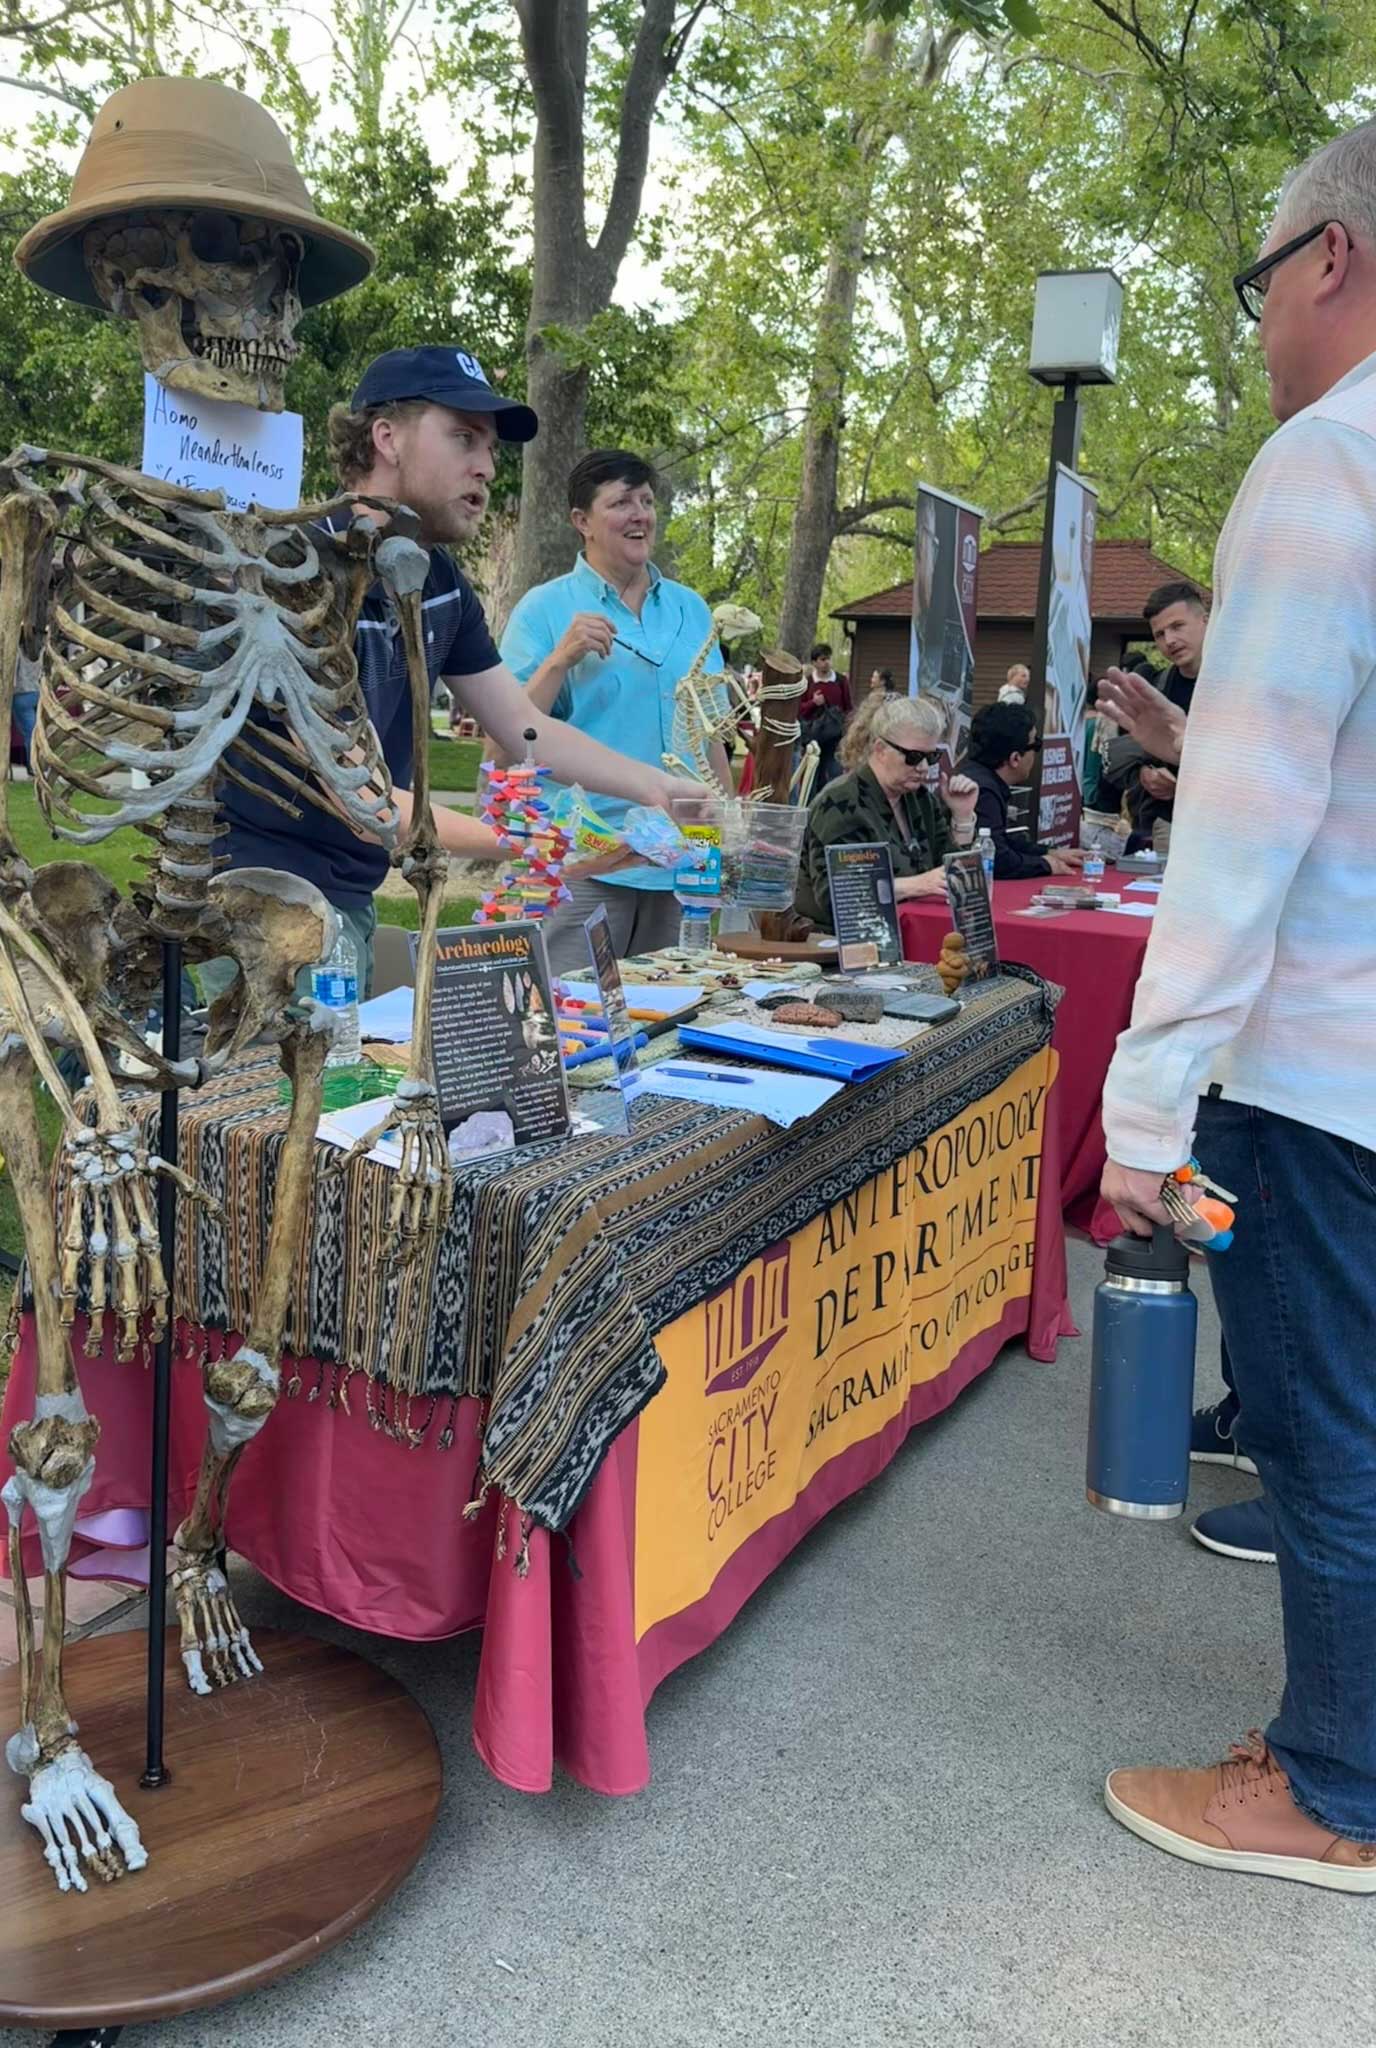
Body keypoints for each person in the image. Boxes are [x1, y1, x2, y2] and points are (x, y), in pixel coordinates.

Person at [1098, 122, 1376, 1892]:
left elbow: (1250, 814)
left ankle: (1337, 1785)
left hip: (1322, 1066)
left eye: (1256, 274)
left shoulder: (1325, 463)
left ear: (1332, 259)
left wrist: (1146, 1106)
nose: (1255, 314)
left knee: (1320, 1420)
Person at [219, 358, 701, 997]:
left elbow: (526, 727)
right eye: (463, 438)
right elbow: (358, 793)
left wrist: (659, 788)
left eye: (492, 449)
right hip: (265, 903)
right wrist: (541, 845)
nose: (487, 467)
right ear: (386, 437)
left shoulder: (439, 581)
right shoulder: (297, 572)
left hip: (349, 895)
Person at [499, 448, 731, 972]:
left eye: (646, 501)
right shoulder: (543, 609)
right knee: (569, 1026)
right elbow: (504, 738)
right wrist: (560, 659)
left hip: (681, 869)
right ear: (581, 521)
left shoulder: (690, 610)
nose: (640, 514)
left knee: (671, 1020)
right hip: (584, 864)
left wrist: (725, 840)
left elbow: (710, 735)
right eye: (621, 502)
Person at [794, 693, 978, 929]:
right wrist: (918, 885)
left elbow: (954, 874)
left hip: (908, 932)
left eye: (931, 757)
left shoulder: (920, 799)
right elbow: (839, 895)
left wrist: (962, 817)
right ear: (880, 749)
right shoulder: (839, 802)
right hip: (837, 943)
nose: (923, 767)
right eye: (913, 757)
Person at [1102, 582, 1208, 853]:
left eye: (1177, 626)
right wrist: (1143, 774)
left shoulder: (1240, 688)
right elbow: (1129, 750)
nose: (1169, 641)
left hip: (1221, 830)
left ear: (1205, 621)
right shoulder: (1156, 687)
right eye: (1159, 634)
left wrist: (1183, 787)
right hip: (1162, 827)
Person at [961, 703, 1085, 881]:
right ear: (1015, 758)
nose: (1036, 752)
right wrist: (1045, 864)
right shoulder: (983, 791)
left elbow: (1001, 842)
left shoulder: (983, 779)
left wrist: (1049, 853)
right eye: (1036, 744)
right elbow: (997, 859)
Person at [798, 641, 851, 788]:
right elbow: (800, 709)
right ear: (814, 662)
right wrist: (813, 703)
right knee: (812, 776)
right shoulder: (808, 682)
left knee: (834, 773)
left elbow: (848, 707)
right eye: (822, 659)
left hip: (835, 736)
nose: (826, 662)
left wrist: (846, 729)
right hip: (813, 736)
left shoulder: (841, 681)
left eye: (828, 658)